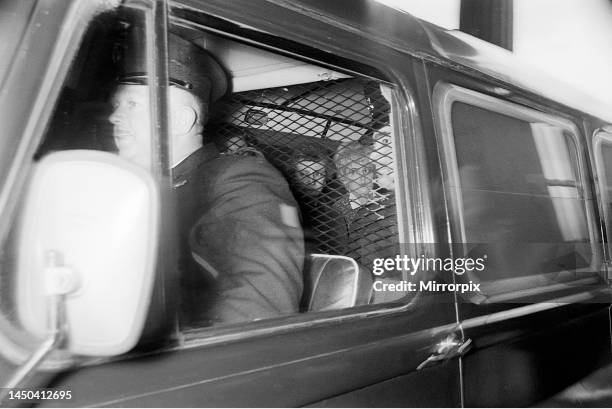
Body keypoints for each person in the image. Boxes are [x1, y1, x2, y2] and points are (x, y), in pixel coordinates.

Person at [109, 30, 304, 325]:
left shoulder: (236, 177)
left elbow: (259, 305)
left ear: (181, 120)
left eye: (132, 104)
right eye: (116, 105)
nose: (114, 117)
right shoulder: (140, 191)